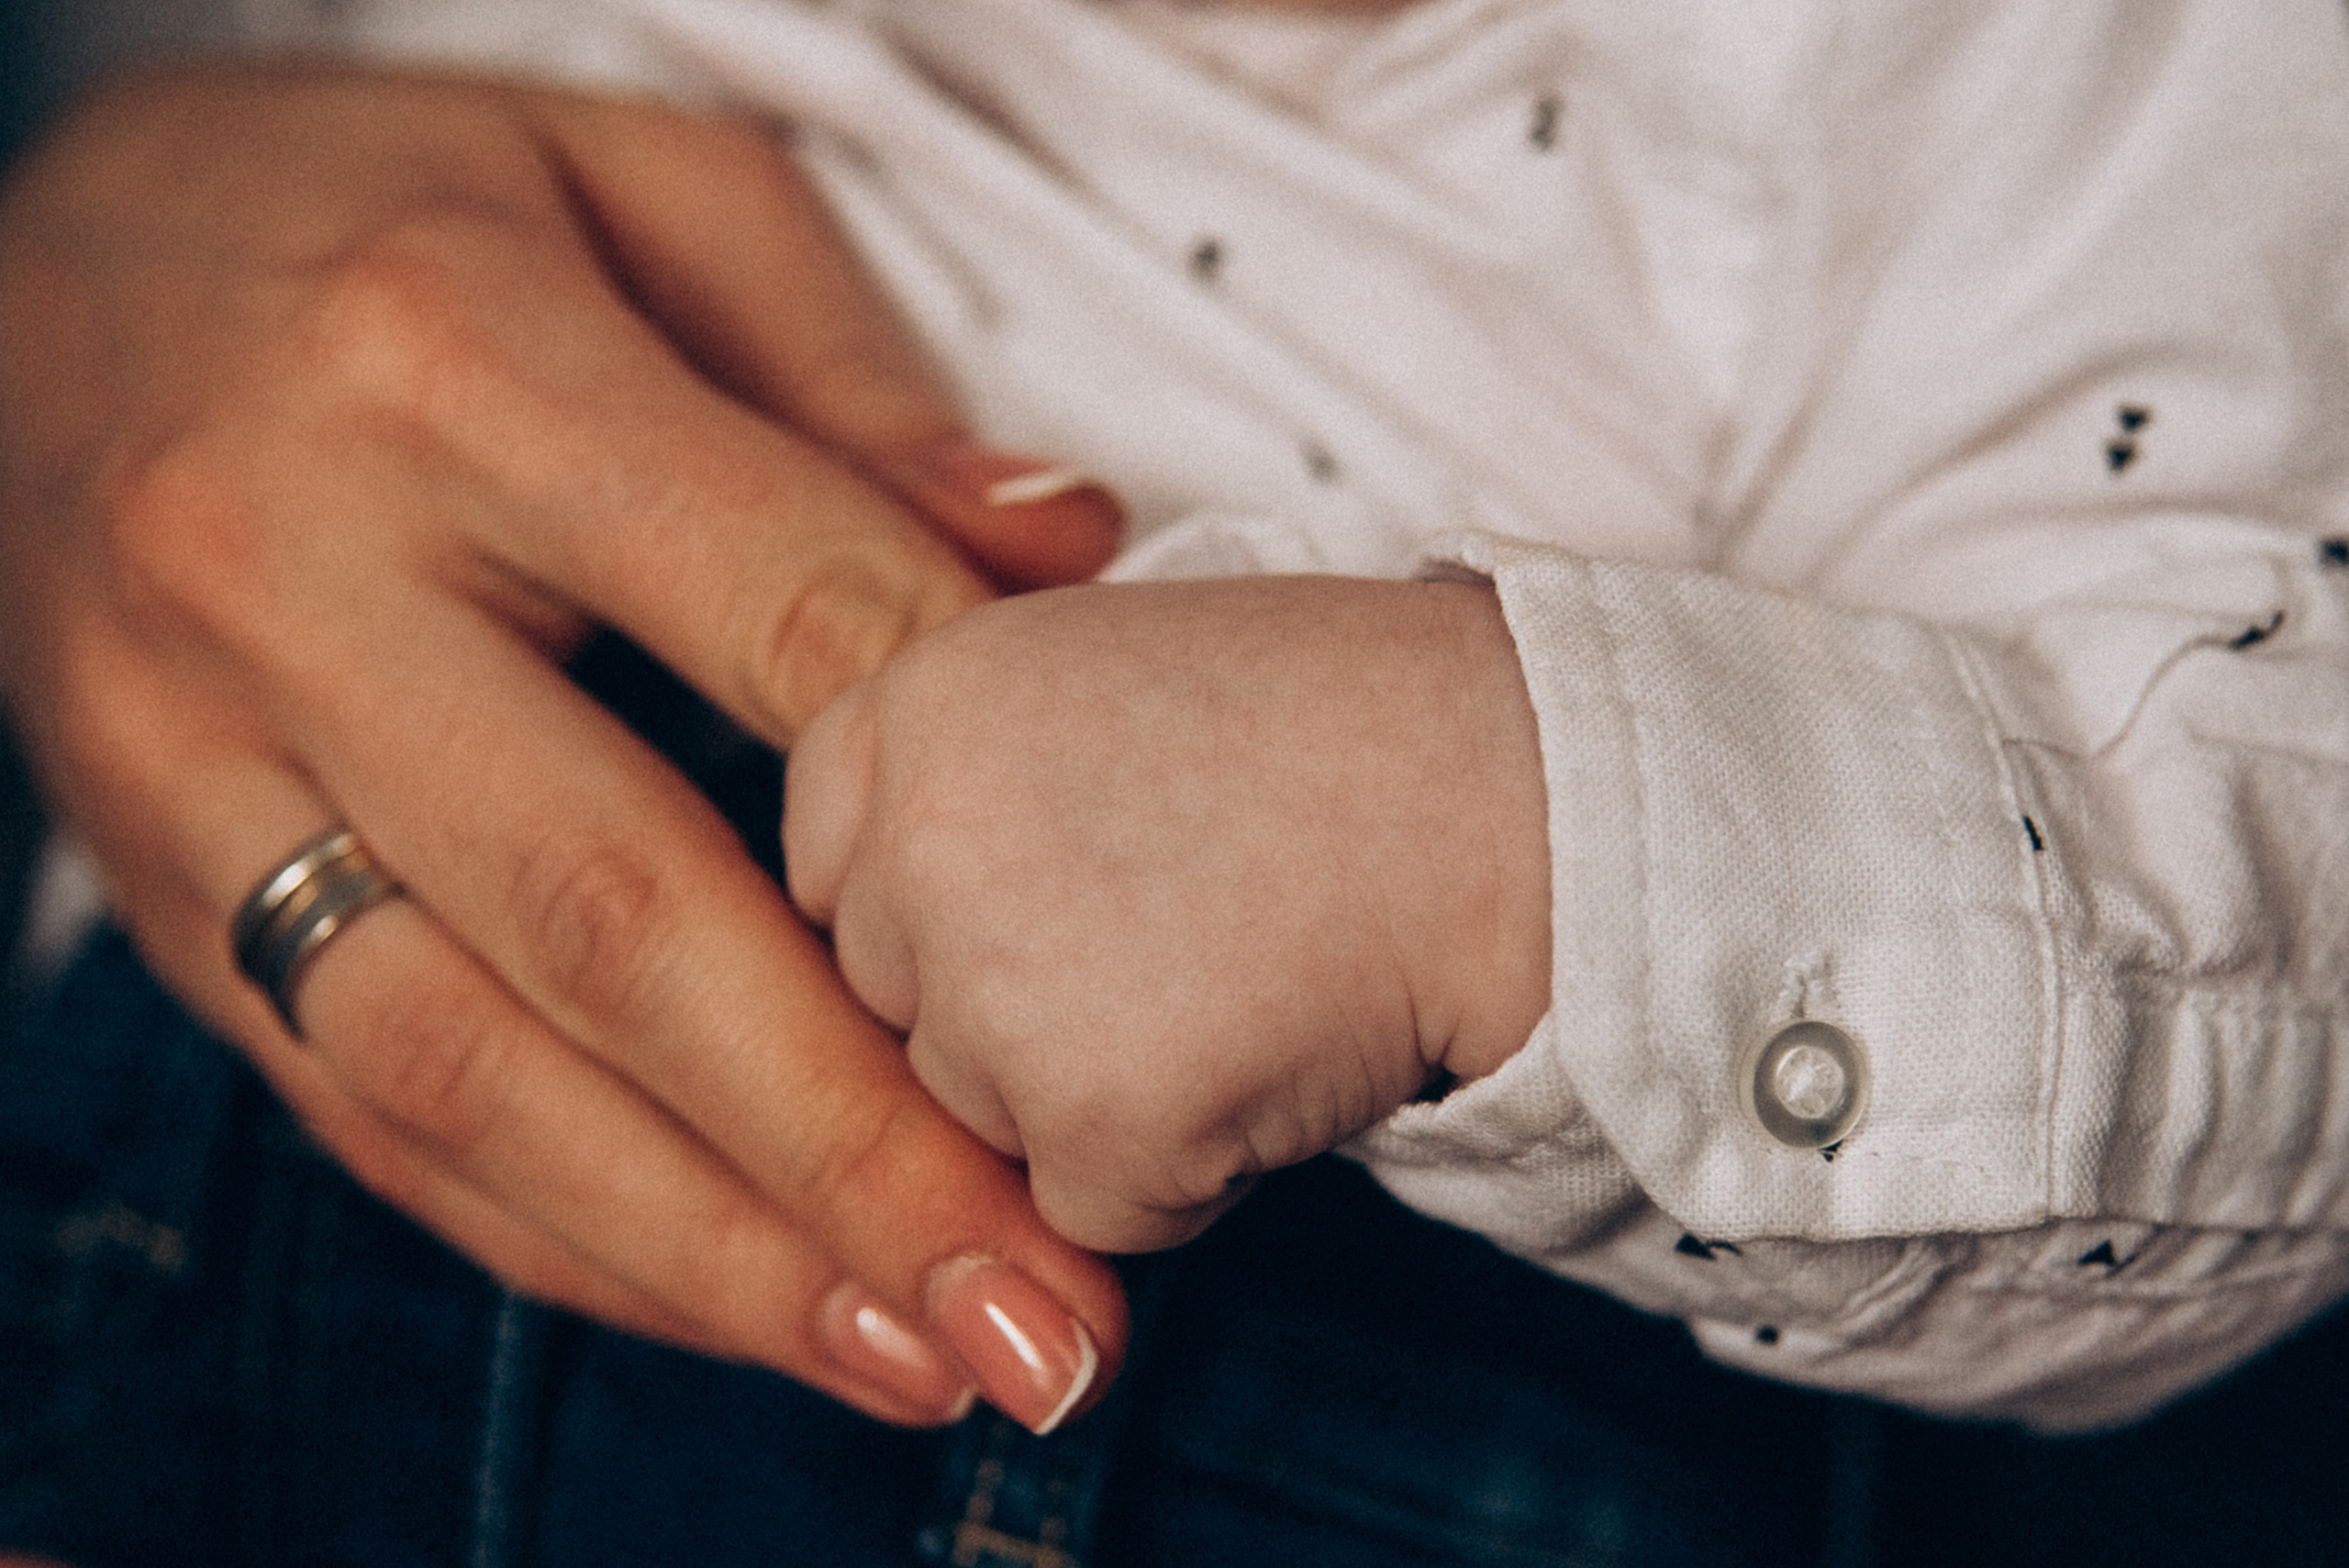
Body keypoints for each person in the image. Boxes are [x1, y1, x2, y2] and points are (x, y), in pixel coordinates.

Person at [2, 0, 2345, 1564]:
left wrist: (1514, 836)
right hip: (180, 1210)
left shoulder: (2073, 83)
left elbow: (2256, 913)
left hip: (1331, 1354)